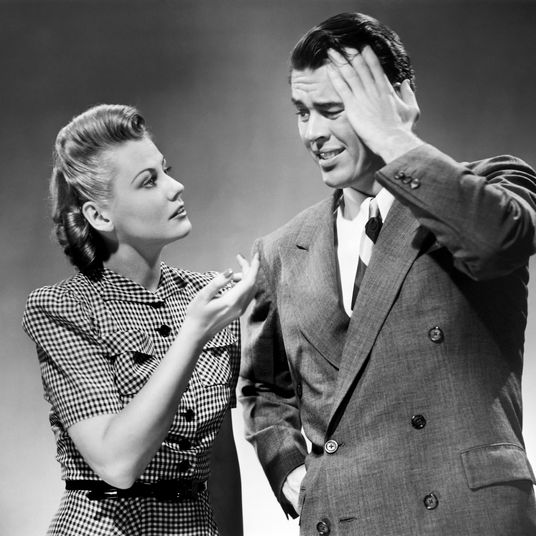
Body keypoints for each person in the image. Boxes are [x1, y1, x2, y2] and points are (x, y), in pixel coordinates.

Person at [239, 11, 536, 536]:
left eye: (334, 109)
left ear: (398, 98)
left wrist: (395, 139)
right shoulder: (281, 250)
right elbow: (265, 387)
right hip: (345, 519)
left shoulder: (491, 186)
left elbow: (495, 243)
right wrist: (292, 474)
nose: (313, 133)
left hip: (464, 518)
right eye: (302, 112)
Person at [22, 103, 258, 536]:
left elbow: (220, 459)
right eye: (149, 181)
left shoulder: (208, 297)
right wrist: (192, 334)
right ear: (99, 216)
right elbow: (117, 463)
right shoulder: (62, 308)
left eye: (166, 171)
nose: (176, 186)